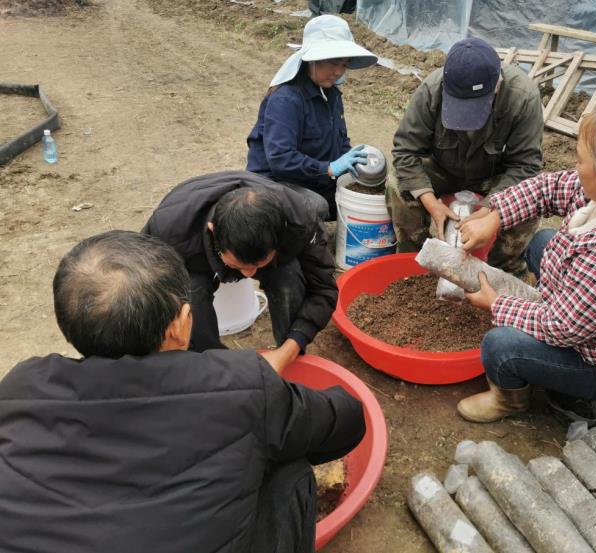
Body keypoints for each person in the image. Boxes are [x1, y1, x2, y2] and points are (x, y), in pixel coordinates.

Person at [0, 230, 365, 553]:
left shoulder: (19, 389)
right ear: (181, 324)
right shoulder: (240, 385)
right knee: (291, 470)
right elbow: (346, 418)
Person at [456, 104, 596, 429]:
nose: (576, 167)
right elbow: (548, 188)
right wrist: (495, 215)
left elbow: (561, 328)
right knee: (544, 241)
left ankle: (509, 398)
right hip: (591, 312)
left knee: (500, 345)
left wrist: (497, 304)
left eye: (580, 160)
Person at [143, 171, 337, 372]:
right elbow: (145, 294)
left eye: (258, 265)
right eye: (238, 266)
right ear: (213, 230)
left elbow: (323, 290)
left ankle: (290, 358)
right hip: (194, 254)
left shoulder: (299, 221)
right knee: (189, 294)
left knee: (289, 275)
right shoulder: (168, 230)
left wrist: (289, 349)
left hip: (271, 247)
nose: (248, 275)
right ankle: (212, 367)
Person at [387, 36, 544, 278]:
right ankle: (414, 261)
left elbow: (525, 167)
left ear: (497, 87)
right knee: (398, 184)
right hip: (444, 171)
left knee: (528, 202)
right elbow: (405, 151)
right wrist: (431, 202)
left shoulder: (522, 97)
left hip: (494, 179)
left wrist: (489, 208)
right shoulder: (432, 89)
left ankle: (502, 270)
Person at [245, 15, 378, 220]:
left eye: (344, 64)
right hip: (274, 183)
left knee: (362, 198)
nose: (338, 72)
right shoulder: (286, 99)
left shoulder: (331, 94)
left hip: (312, 179)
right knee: (315, 206)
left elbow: (340, 142)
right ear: (312, 60)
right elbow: (281, 159)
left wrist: (355, 163)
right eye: (333, 63)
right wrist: (329, 168)